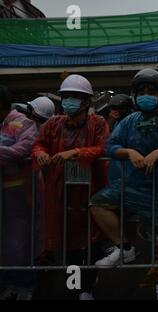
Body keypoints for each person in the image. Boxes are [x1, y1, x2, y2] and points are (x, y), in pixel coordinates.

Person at [89, 68, 158, 300]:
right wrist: (128, 152)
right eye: (141, 90)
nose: (145, 94)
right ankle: (125, 248)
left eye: (151, 91)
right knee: (98, 204)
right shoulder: (129, 121)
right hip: (132, 186)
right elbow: (110, 146)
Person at [31, 74, 109, 300]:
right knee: (69, 244)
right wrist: (41, 153)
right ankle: (76, 287)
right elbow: (38, 144)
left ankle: (88, 286)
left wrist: (76, 153)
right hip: (61, 194)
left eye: (75, 97)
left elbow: (103, 148)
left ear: (86, 101)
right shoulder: (53, 124)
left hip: (91, 191)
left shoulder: (98, 124)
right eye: (66, 97)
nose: (69, 102)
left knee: (92, 243)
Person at [0, 85, 39, 300]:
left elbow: (22, 150)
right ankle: (7, 282)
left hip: (18, 192)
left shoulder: (23, 123)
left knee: (20, 239)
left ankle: (25, 283)